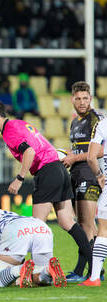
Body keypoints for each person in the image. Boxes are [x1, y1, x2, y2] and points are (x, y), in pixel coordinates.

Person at [0, 99, 93, 278]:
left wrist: (19, 178)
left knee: (36, 227)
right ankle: (90, 268)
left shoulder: (9, 131)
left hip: (47, 172)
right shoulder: (20, 123)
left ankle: (37, 272)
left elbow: (30, 152)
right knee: (67, 222)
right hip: (58, 169)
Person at [60, 81, 104, 282]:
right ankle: (97, 269)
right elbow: (78, 148)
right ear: (72, 100)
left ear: (91, 98)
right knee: (86, 225)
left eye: (85, 98)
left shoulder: (97, 120)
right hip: (78, 174)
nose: (82, 102)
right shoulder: (75, 122)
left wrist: (74, 158)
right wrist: (68, 156)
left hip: (90, 174)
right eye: (78, 98)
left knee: (86, 224)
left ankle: (81, 271)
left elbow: (100, 150)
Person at [79, 117, 107, 286]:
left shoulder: (103, 124)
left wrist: (99, 176)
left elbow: (91, 158)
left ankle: (95, 277)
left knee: (103, 230)